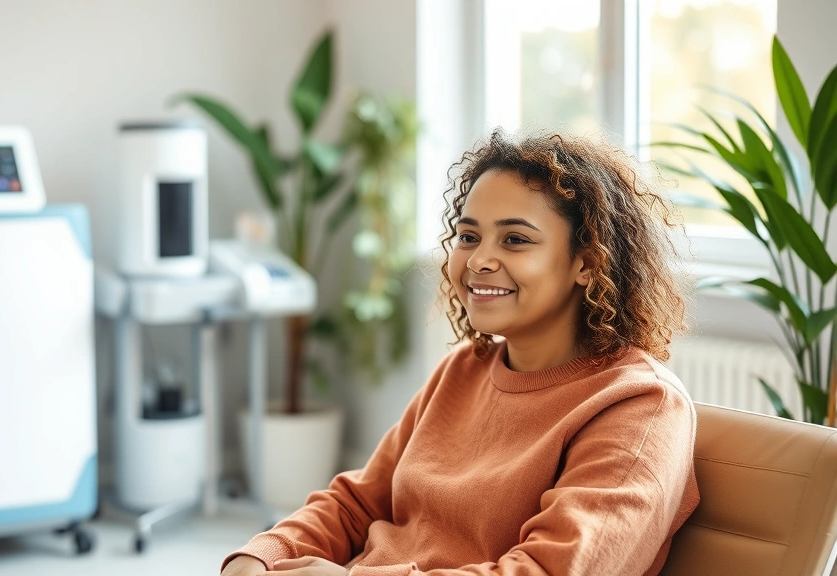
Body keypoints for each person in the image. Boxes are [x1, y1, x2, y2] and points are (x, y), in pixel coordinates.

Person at [221, 128, 700, 576]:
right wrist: (261, 557)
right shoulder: (462, 371)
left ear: (587, 262)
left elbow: (547, 571)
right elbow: (356, 504)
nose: (478, 260)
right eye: (468, 236)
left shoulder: (640, 405)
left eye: (515, 239)